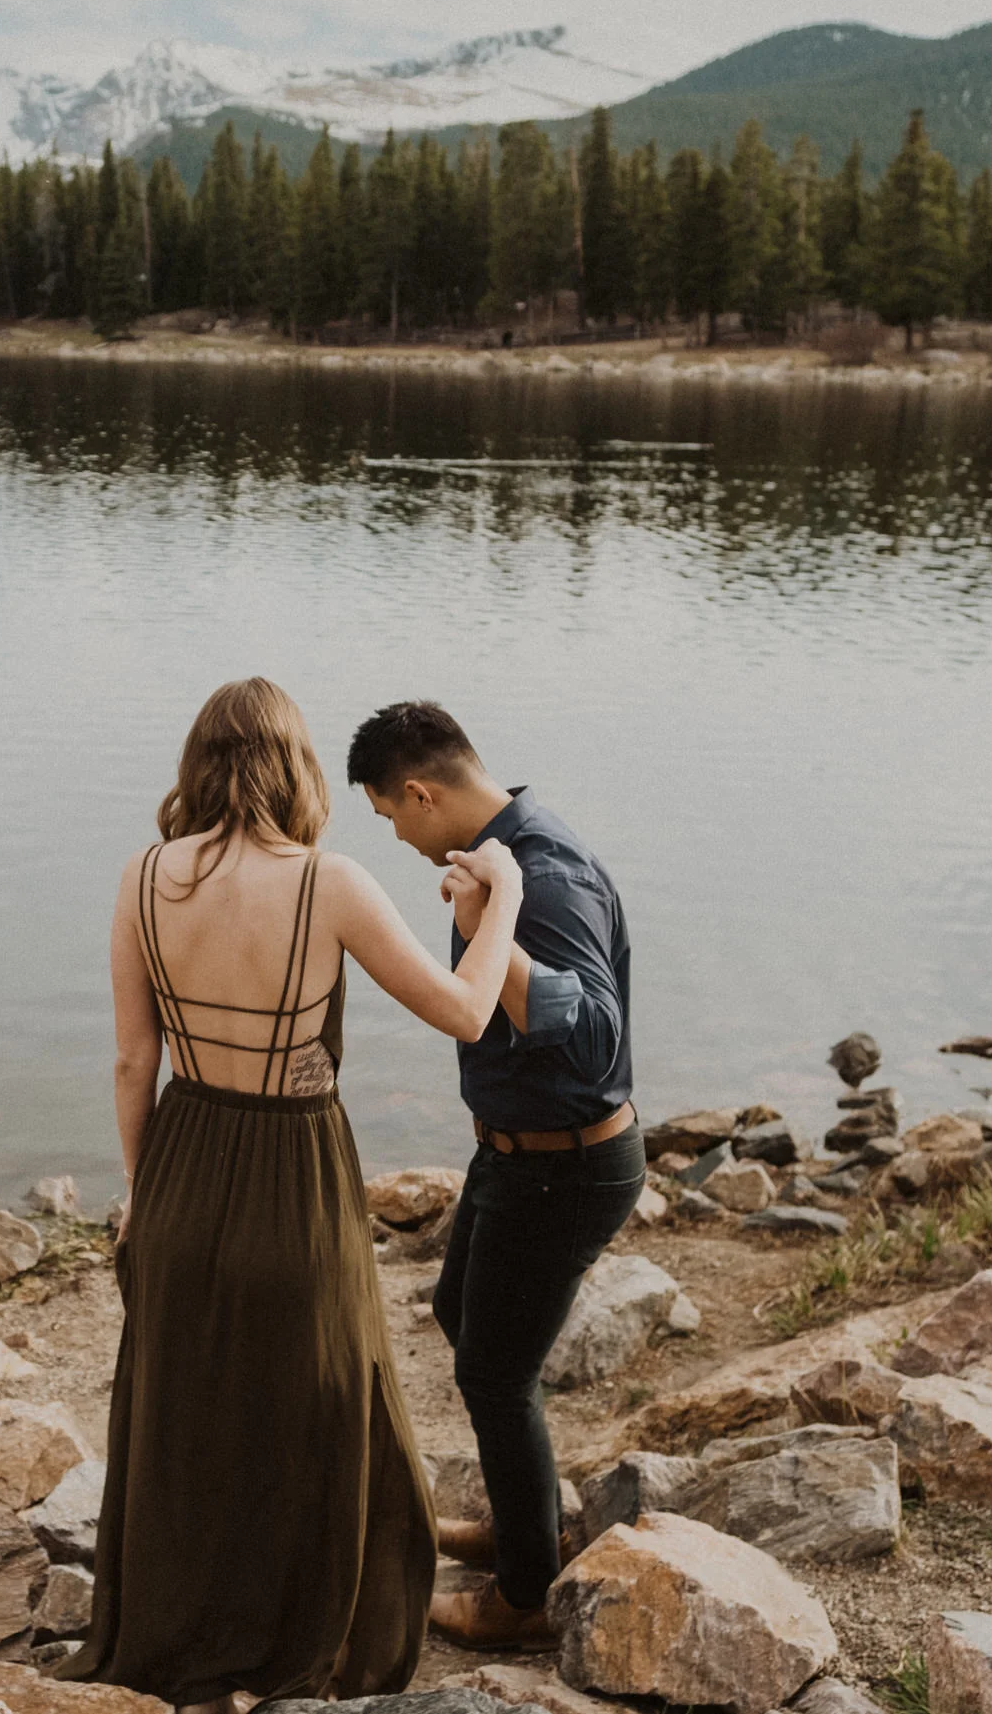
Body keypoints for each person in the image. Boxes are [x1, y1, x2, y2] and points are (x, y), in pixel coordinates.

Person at [62, 677, 526, 1710]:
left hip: (183, 1159)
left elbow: (133, 1066)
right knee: (325, 1400)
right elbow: (463, 1009)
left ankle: (188, 1623)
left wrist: (147, 1201)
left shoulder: (143, 877)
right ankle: (299, 1627)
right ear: (295, 766)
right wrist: (506, 900)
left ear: (199, 762)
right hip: (293, 1166)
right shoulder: (329, 882)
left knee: (194, 1411)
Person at [345, 700, 641, 1650]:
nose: (396, 835)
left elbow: (595, 1045)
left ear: (423, 792)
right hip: (513, 1152)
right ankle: (526, 1524)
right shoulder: (503, 853)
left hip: (567, 1163)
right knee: (459, 1311)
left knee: (494, 1369)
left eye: (392, 815)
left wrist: (493, 929)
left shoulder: (540, 875)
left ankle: (522, 1594)